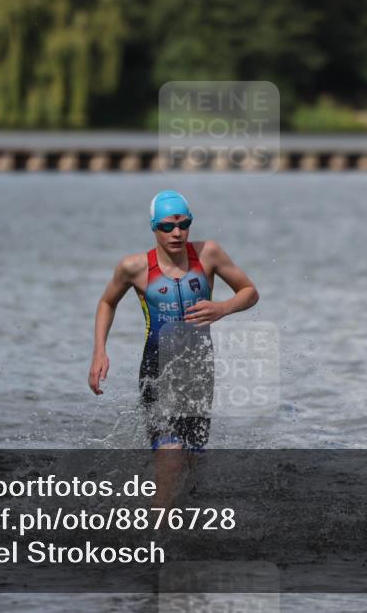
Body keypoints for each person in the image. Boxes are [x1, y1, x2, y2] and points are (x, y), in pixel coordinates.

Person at [88, 190, 258, 505]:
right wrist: (99, 351)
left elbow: (249, 291)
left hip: (198, 374)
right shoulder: (134, 267)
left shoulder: (208, 254)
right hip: (156, 371)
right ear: (154, 227)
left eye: (184, 225)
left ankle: (183, 532)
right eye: (167, 227)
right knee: (170, 458)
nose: (177, 233)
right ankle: (154, 539)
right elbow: (107, 302)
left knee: (191, 466)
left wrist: (223, 308)